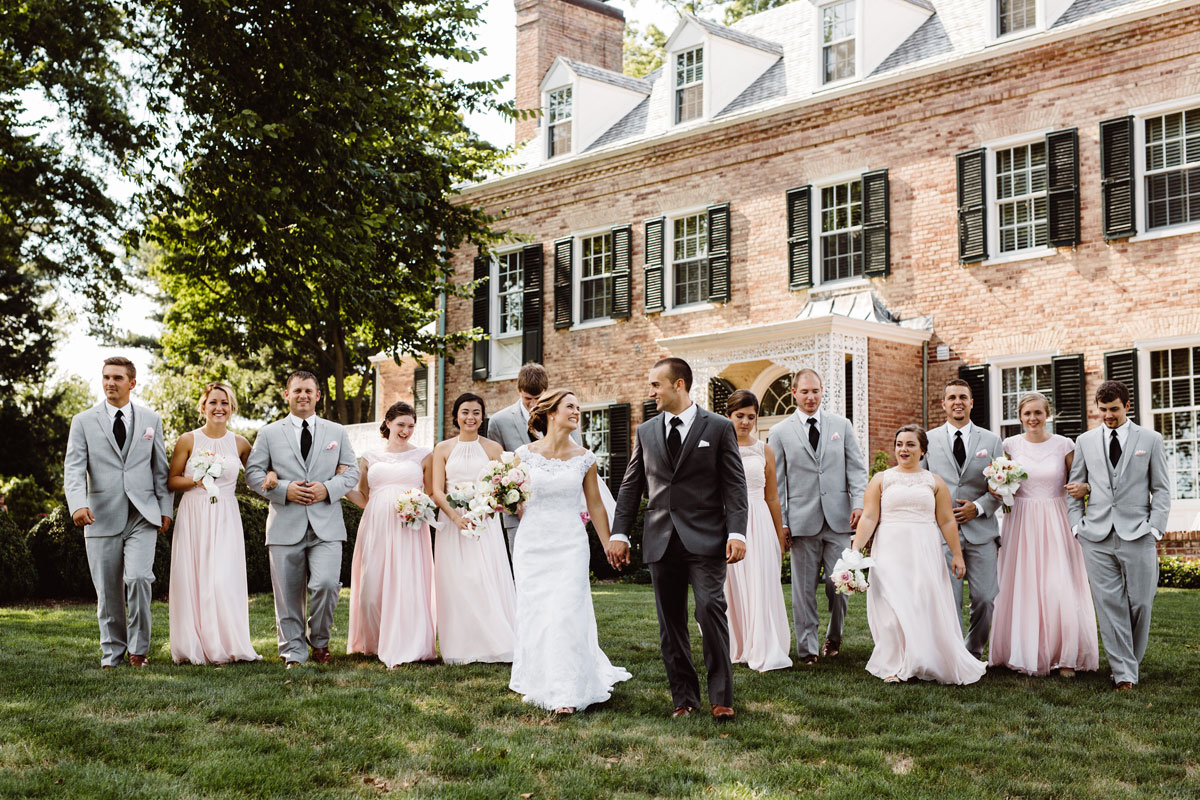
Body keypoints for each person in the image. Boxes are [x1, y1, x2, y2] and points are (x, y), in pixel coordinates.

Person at [609, 357, 747, 721]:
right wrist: (619, 532)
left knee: (709, 609)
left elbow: (734, 484)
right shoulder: (646, 431)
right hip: (660, 539)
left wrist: (737, 531)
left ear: (679, 384)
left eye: (656, 384)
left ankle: (721, 697)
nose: (650, 391)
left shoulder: (718, 427)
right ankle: (684, 699)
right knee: (670, 624)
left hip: (706, 539)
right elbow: (630, 485)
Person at [508, 389, 631, 714]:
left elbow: (596, 506)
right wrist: (500, 497)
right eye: (570, 407)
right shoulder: (524, 454)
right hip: (532, 542)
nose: (576, 412)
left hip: (569, 543)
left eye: (578, 407)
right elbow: (514, 498)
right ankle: (539, 678)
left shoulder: (585, 458)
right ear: (550, 412)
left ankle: (566, 690)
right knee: (537, 610)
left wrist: (609, 543)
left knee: (565, 610)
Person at [851, 425, 987, 685]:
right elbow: (869, 517)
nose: (904, 449)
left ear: (922, 450)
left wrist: (957, 555)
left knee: (921, 603)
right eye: (900, 444)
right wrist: (855, 551)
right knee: (889, 606)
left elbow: (947, 521)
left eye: (911, 444)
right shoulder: (881, 479)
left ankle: (922, 659)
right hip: (889, 549)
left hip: (924, 549)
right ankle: (892, 663)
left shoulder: (934, 482)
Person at [245, 370, 360, 667]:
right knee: (287, 595)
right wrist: (284, 490)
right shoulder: (269, 433)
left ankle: (319, 640)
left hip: (327, 525)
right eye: (297, 391)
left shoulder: (337, 432)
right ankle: (293, 652)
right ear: (287, 395)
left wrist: (327, 489)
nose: (303, 396)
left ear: (318, 395)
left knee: (325, 585)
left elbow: (352, 471)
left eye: (309, 390)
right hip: (285, 524)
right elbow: (253, 474)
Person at [64, 357, 173, 668]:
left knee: (139, 578)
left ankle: (139, 651)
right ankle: (113, 653)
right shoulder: (83, 421)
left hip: (143, 515)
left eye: (117, 378)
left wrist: (165, 509)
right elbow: (73, 469)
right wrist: (78, 504)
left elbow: (160, 470)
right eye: (106, 377)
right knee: (109, 592)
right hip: (100, 514)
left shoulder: (152, 419)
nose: (110, 383)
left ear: (132, 383)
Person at [1067, 380, 1171, 690]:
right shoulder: (1084, 441)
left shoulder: (1150, 440)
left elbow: (1162, 489)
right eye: (1103, 410)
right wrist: (1077, 526)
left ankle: (1129, 662)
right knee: (1109, 604)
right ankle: (1124, 673)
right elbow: (1075, 488)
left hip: (1139, 532)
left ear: (1127, 406)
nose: (1108, 415)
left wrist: (1155, 528)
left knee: (1140, 602)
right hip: (1095, 535)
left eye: (1114, 409)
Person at [989, 392, 1098, 677]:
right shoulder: (1009, 445)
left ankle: (1065, 657)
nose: (1033, 419)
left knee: (1058, 584)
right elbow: (1001, 485)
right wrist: (996, 487)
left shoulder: (1064, 445)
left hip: (1056, 519)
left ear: (1047, 414)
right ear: (1020, 416)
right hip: (1021, 521)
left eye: (1038, 413)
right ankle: (1022, 652)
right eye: (1027, 414)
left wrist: (1084, 491)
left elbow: (1080, 480)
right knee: (1022, 584)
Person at [769, 368, 867, 664]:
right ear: (794, 394)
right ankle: (808, 650)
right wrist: (783, 522)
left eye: (816, 391)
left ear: (822, 391)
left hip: (839, 520)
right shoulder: (780, 432)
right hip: (801, 523)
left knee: (839, 583)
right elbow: (776, 483)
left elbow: (857, 469)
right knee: (803, 590)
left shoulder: (842, 425)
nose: (811, 397)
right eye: (805, 391)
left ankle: (833, 637)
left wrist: (859, 504)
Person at [166, 382, 261, 665]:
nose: (219, 408)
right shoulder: (188, 440)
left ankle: (227, 644)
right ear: (203, 407)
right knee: (194, 578)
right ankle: (196, 645)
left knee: (222, 579)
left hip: (225, 515)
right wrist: (198, 480)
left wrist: (271, 479)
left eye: (225, 403)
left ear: (232, 408)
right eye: (213, 403)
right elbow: (172, 480)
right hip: (194, 513)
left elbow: (256, 476)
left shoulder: (241, 443)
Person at [342, 401, 436, 667]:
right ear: (387, 423)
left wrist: (418, 507)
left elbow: (430, 493)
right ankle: (373, 641)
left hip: (410, 528)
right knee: (372, 587)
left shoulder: (423, 455)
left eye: (410, 426)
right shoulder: (370, 457)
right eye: (401, 425)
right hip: (376, 526)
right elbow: (363, 497)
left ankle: (409, 643)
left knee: (408, 583)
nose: (406, 431)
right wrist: (340, 486)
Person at [430, 393, 517, 664]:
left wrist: (486, 510)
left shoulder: (493, 448)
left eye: (476, 412)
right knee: (455, 581)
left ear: (482, 416)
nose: (471, 417)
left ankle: (494, 642)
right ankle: (460, 647)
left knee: (483, 579)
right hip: (451, 523)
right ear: (456, 415)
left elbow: (504, 487)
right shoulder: (442, 448)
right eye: (465, 411)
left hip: (484, 523)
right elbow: (435, 490)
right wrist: (456, 518)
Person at [922, 378, 1004, 661]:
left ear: (971, 402)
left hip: (981, 531)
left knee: (984, 597)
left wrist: (978, 508)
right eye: (952, 397)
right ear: (943, 404)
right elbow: (919, 483)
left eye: (963, 397)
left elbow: (1002, 487)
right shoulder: (928, 440)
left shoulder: (992, 441)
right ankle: (954, 655)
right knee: (949, 599)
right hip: (941, 534)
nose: (958, 402)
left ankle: (974, 648)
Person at [723, 390, 791, 672]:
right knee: (732, 585)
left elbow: (772, 496)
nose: (746, 422)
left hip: (760, 521)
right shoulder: (717, 446)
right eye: (740, 416)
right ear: (729, 415)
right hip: (728, 523)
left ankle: (763, 646)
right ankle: (735, 645)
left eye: (751, 416)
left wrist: (778, 534)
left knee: (760, 581)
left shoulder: (765, 450)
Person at [486, 363, 580, 558]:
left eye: (539, 398)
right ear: (518, 390)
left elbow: (577, 457)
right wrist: (515, 504)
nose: (533, 404)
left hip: (558, 513)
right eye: (528, 398)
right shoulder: (499, 422)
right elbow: (498, 471)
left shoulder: (562, 417)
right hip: (518, 517)